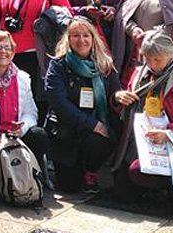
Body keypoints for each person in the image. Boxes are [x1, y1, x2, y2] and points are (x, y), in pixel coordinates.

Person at [111, 28, 173, 202]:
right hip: (143, 141)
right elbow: (124, 108)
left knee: (141, 175)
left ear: (171, 55)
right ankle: (154, 187)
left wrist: (169, 133)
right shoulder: (140, 73)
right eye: (148, 58)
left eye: (157, 59)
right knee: (122, 193)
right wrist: (118, 98)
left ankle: (168, 187)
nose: (152, 64)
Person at [44, 18, 122, 193]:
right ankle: (73, 167)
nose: (81, 40)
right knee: (69, 188)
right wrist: (91, 124)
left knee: (107, 135)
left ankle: (91, 171)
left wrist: (119, 96)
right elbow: (59, 104)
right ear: (68, 39)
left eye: (86, 35)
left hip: (95, 131)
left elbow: (114, 93)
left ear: (93, 38)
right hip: (66, 130)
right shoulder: (57, 65)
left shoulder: (105, 64)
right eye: (75, 36)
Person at [0, 30, 52, 189]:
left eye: (7, 48)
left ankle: (31, 174)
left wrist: (22, 128)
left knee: (39, 135)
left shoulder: (23, 78)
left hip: (15, 134)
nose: (3, 52)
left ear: (13, 52)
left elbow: (31, 112)